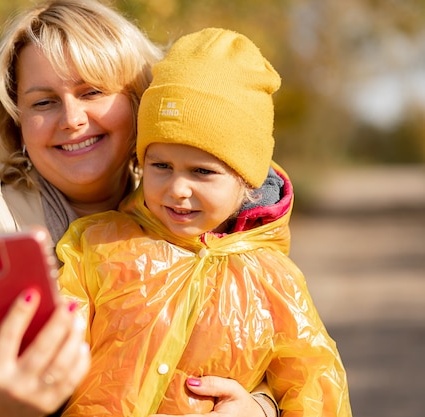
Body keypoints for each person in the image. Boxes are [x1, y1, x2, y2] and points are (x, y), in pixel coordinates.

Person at [0, 2, 277, 417]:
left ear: (139, 104)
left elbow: (265, 343)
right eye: (43, 103)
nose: (72, 119)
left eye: (92, 92)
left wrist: (259, 406)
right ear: (16, 120)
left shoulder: (183, 207)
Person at [56, 28, 352, 417]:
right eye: (161, 166)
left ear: (246, 180)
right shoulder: (98, 244)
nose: (178, 188)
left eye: (202, 171)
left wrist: (261, 411)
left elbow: (316, 386)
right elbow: (55, 325)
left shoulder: (273, 281)